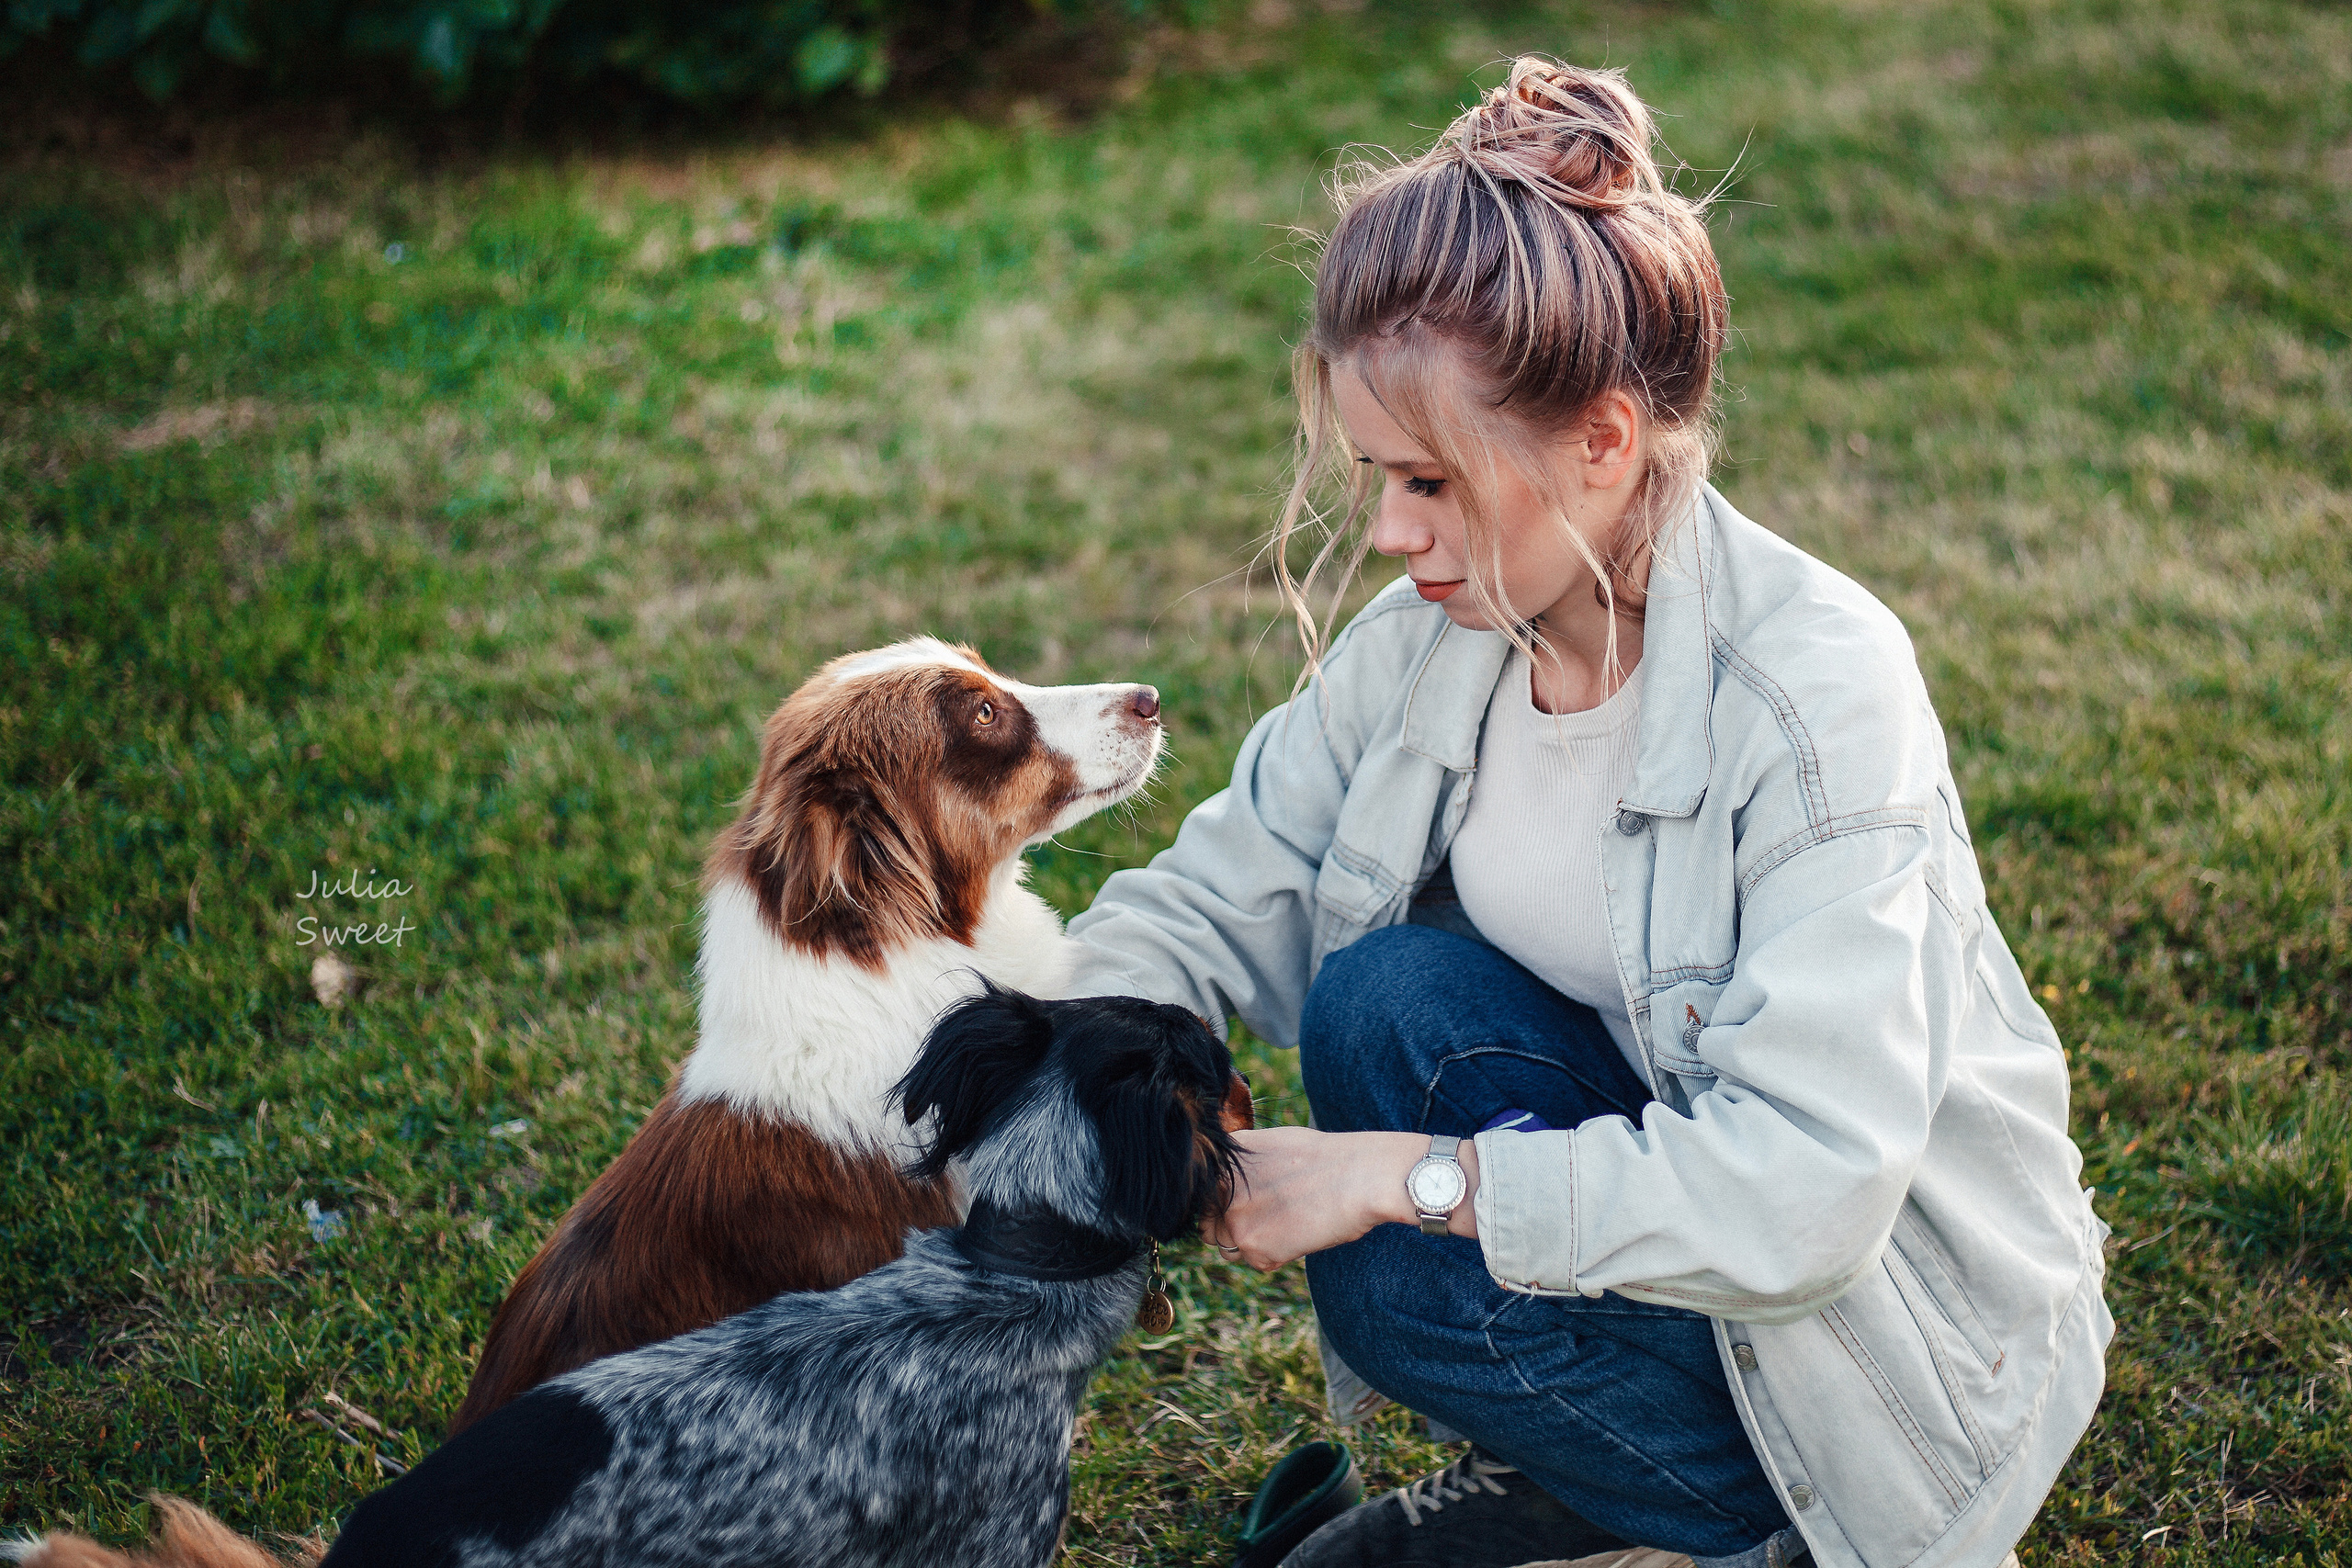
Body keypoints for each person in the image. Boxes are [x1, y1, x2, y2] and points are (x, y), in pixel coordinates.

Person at [1057, 57, 2111, 1568]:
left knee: (1398, 1267)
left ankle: (1744, 1527)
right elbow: (1219, 895)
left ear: (1603, 443)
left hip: (1876, 1360)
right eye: (1374, 477)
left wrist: (1400, 1181)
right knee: (1383, 1003)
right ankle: (1601, 1483)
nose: (1390, 534)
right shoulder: (1431, 644)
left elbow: (1808, 1195)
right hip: (1645, 1218)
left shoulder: (1817, 696)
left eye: (1430, 481)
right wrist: (1006, 1073)